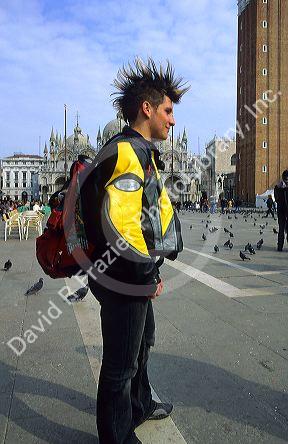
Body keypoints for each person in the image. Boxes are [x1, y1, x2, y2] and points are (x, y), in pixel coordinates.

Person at [80, 58, 188, 444]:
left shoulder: (137, 149)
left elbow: (142, 220)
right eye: (168, 110)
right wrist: (144, 278)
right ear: (147, 109)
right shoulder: (129, 152)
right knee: (119, 367)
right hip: (123, 276)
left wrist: (150, 272)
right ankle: (118, 436)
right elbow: (121, 229)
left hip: (129, 273)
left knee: (143, 343)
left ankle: (139, 404)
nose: (172, 120)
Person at [274, 170, 288, 251]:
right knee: (281, 229)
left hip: (282, 210)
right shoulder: (278, 187)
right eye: (285, 179)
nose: (286, 181)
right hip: (281, 211)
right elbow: (276, 199)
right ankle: (280, 246)